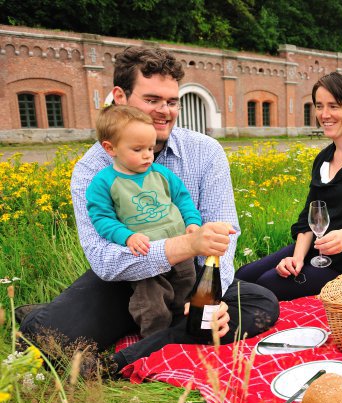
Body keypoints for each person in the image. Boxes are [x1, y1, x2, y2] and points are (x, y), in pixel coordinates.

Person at [18, 46, 280, 374]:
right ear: (120, 96)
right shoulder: (93, 168)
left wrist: (209, 296)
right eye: (152, 100)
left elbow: (223, 236)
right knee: (45, 337)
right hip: (127, 280)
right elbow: (103, 259)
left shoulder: (205, 152)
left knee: (261, 305)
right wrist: (181, 246)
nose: (164, 111)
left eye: (172, 102)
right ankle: (46, 313)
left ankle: (121, 360)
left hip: (190, 277)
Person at [236, 72, 342, 300]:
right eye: (319, 106)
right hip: (317, 250)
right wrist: (297, 258)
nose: (324, 114)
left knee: (266, 285)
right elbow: (309, 217)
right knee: (244, 275)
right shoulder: (323, 158)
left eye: (334, 106)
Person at [87, 105, 201, 338]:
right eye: (138, 149)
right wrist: (127, 236)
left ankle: (182, 331)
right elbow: (102, 218)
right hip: (146, 256)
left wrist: (191, 221)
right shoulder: (104, 182)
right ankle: (153, 340)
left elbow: (182, 198)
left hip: (180, 248)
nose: (148, 155)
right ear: (110, 148)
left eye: (150, 148)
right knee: (151, 302)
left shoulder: (161, 174)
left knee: (186, 288)